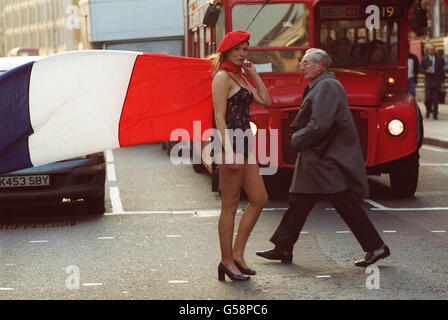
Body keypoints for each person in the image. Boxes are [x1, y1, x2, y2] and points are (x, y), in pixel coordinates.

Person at [256, 48, 390, 268]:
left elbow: (321, 124)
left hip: (324, 157)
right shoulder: (322, 84)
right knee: (299, 201)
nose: (302, 66)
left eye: (306, 62)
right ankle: (283, 247)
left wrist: (297, 139)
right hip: (316, 156)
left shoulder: (327, 86)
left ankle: (376, 247)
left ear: (320, 65)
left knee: (343, 201)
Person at [209, 30, 272, 281]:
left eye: (245, 49)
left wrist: (254, 74)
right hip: (230, 146)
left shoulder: (242, 77)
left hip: (246, 143)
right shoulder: (222, 77)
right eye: (237, 49)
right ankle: (226, 261)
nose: (241, 54)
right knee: (230, 205)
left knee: (259, 198)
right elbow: (219, 117)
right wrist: (229, 151)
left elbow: (266, 101)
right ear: (227, 51)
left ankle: (237, 254)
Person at [420, 44, 445, 119]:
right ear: (428, 51)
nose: (431, 51)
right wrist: (426, 71)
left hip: (436, 81)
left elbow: (442, 71)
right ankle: (428, 111)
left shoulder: (439, 58)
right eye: (430, 50)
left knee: (435, 99)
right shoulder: (424, 59)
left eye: (432, 49)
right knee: (427, 99)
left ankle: (435, 113)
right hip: (428, 81)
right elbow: (420, 69)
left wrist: (442, 82)